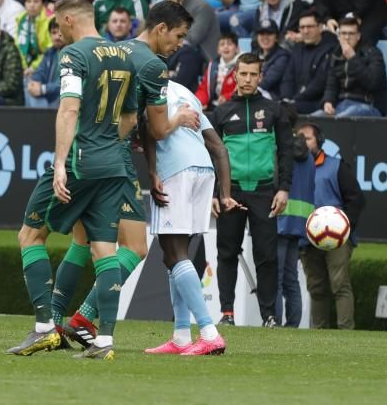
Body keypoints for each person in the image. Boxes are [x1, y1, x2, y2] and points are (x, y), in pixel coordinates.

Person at [57, 1, 201, 348]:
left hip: (81, 152)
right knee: (135, 246)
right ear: (161, 28)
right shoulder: (154, 65)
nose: (179, 44)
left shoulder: (113, 49)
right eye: (179, 36)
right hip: (114, 159)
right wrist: (180, 117)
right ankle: (84, 316)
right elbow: (156, 127)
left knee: (80, 240)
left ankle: (49, 322)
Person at [8, 0, 139, 360]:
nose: (56, 37)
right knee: (103, 248)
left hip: (81, 162)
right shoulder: (123, 55)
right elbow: (130, 117)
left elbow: (68, 110)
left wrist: (62, 163)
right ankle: (105, 341)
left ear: (67, 20)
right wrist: (108, 146)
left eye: (57, 27)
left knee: (30, 236)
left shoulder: (73, 55)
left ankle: (45, 329)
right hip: (113, 164)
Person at [142, 79, 232, 355]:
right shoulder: (186, 92)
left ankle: (208, 332)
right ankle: (181, 335)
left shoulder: (143, 86)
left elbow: (150, 132)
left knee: (174, 252)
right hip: (203, 170)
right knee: (173, 255)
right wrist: (225, 193)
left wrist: (153, 173)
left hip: (176, 170)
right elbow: (219, 147)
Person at [210, 52, 293, 327]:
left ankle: (268, 315)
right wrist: (214, 194)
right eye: (242, 74)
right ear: (235, 75)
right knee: (226, 253)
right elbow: (211, 157)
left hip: (264, 192)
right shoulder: (221, 112)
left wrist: (284, 189)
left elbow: (286, 153)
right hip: (230, 192)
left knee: (266, 256)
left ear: (261, 76)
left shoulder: (274, 110)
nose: (247, 79)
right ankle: (227, 313)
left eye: (252, 74)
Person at [295, 122, 366, 330]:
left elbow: (357, 199)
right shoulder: (293, 170)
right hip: (307, 238)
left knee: (340, 285)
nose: (302, 142)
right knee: (316, 288)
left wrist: (344, 228)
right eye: (298, 138)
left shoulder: (336, 166)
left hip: (338, 239)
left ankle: (346, 331)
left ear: (320, 141)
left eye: (307, 138)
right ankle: (319, 333)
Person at [319, 14, 387, 117]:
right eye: (343, 33)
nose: (347, 37)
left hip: (367, 105)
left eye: (351, 34)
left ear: (358, 36)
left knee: (342, 119)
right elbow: (331, 86)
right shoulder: (336, 55)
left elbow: (372, 83)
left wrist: (352, 58)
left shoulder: (373, 53)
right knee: (315, 118)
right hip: (341, 105)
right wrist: (328, 101)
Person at [280, 9, 339, 114]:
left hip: (317, 103)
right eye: (302, 27)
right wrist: (286, 98)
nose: (305, 31)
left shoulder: (331, 49)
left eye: (310, 27)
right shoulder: (297, 49)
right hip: (295, 102)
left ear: (320, 27)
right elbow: (288, 78)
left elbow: (320, 83)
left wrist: (294, 100)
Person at [25, 17, 64, 108]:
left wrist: (43, 89)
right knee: (28, 83)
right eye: (54, 32)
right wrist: (34, 83)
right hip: (49, 96)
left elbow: (67, 84)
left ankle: (39, 120)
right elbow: (40, 72)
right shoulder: (50, 53)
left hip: (63, 98)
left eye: (60, 33)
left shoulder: (74, 53)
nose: (57, 37)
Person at [195, 32, 240, 109]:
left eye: (229, 44)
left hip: (234, 105)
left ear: (237, 49)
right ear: (218, 50)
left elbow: (243, 88)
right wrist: (199, 102)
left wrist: (227, 97)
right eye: (222, 44)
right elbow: (204, 89)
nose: (226, 47)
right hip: (214, 106)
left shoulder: (242, 65)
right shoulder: (212, 65)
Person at [15, 0, 52, 70]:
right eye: (28, 1)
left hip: (45, 65)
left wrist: (33, 67)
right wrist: (23, 66)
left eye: (36, 1)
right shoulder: (21, 19)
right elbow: (18, 45)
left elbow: (50, 50)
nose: (32, 5)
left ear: (43, 3)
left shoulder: (50, 20)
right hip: (23, 65)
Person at [253, 18, 290, 99]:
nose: (265, 37)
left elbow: (266, 83)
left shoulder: (283, 56)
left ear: (276, 38)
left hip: (274, 99)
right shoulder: (254, 54)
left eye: (269, 33)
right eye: (262, 34)